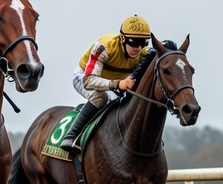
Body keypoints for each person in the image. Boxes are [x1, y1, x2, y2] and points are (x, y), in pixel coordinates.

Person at [58, 15, 154, 154]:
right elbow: (89, 81)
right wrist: (117, 83)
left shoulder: (143, 53)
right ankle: (71, 136)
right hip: (85, 77)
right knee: (102, 97)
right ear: (123, 39)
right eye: (134, 42)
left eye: (143, 43)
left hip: (115, 83)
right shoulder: (105, 47)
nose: (138, 48)